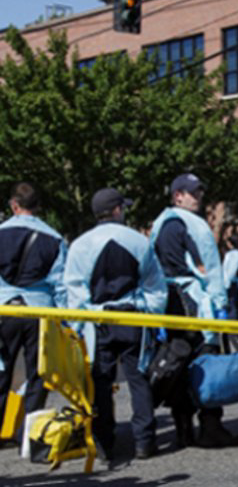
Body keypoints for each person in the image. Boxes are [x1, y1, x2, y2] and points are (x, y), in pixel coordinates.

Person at [65, 188, 168, 462]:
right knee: (139, 378)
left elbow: (74, 290)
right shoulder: (138, 241)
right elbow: (155, 285)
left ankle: (103, 441)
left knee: (100, 381)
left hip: (98, 321)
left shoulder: (80, 244)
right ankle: (144, 441)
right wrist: (153, 314)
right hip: (133, 317)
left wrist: (79, 323)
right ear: (116, 210)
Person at [150, 173, 238, 449]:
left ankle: (183, 429)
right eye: (193, 193)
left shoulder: (159, 224)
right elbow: (210, 268)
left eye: (200, 192)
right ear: (178, 195)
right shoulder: (195, 225)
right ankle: (211, 427)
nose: (199, 197)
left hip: (169, 300)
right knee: (206, 362)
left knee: (178, 363)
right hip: (194, 301)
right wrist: (220, 303)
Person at [0, 182, 66, 444]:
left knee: (1, 373)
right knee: (38, 373)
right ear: (38, 207)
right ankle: (30, 436)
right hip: (40, 311)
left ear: (14, 206)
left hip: (3, 308)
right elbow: (60, 284)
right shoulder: (54, 238)